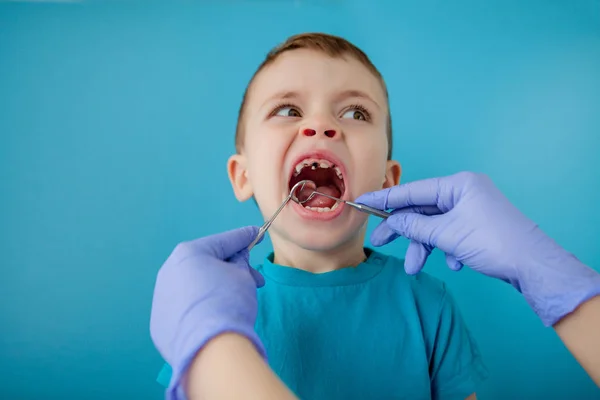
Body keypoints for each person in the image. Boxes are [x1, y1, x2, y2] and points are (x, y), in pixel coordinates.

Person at [150, 33, 600, 399]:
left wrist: (549, 275)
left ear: (389, 180)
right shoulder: (206, 314)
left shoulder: (429, 306)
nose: (321, 125)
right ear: (243, 175)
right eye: (288, 110)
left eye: (355, 112)